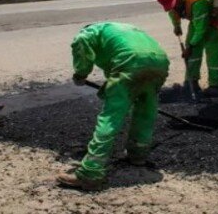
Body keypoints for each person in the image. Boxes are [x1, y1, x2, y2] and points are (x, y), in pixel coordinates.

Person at [58, 22, 170, 190]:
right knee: (145, 111)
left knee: (111, 117)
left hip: (130, 60)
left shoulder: (88, 32)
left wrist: (81, 73)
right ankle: (138, 155)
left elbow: (80, 43)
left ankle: (90, 173)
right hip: (160, 61)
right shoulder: (121, 29)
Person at [156, 0, 218, 99]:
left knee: (213, 51)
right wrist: (176, 25)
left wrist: (190, 47)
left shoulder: (198, 1)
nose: (174, 7)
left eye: (175, 5)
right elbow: (172, 10)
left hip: (216, 19)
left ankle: (215, 87)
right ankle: (192, 82)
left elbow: (201, 30)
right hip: (198, 17)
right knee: (192, 53)